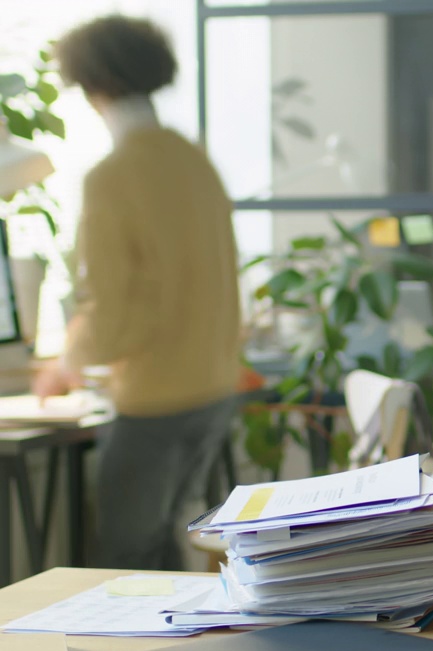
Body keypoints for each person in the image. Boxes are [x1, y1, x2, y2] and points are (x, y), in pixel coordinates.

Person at [34, 15, 242, 569]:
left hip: (156, 395)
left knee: (126, 555)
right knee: (162, 544)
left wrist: (65, 364)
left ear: (93, 86)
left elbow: (110, 303)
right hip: (212, 387)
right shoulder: (194, 161)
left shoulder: (114, 174)